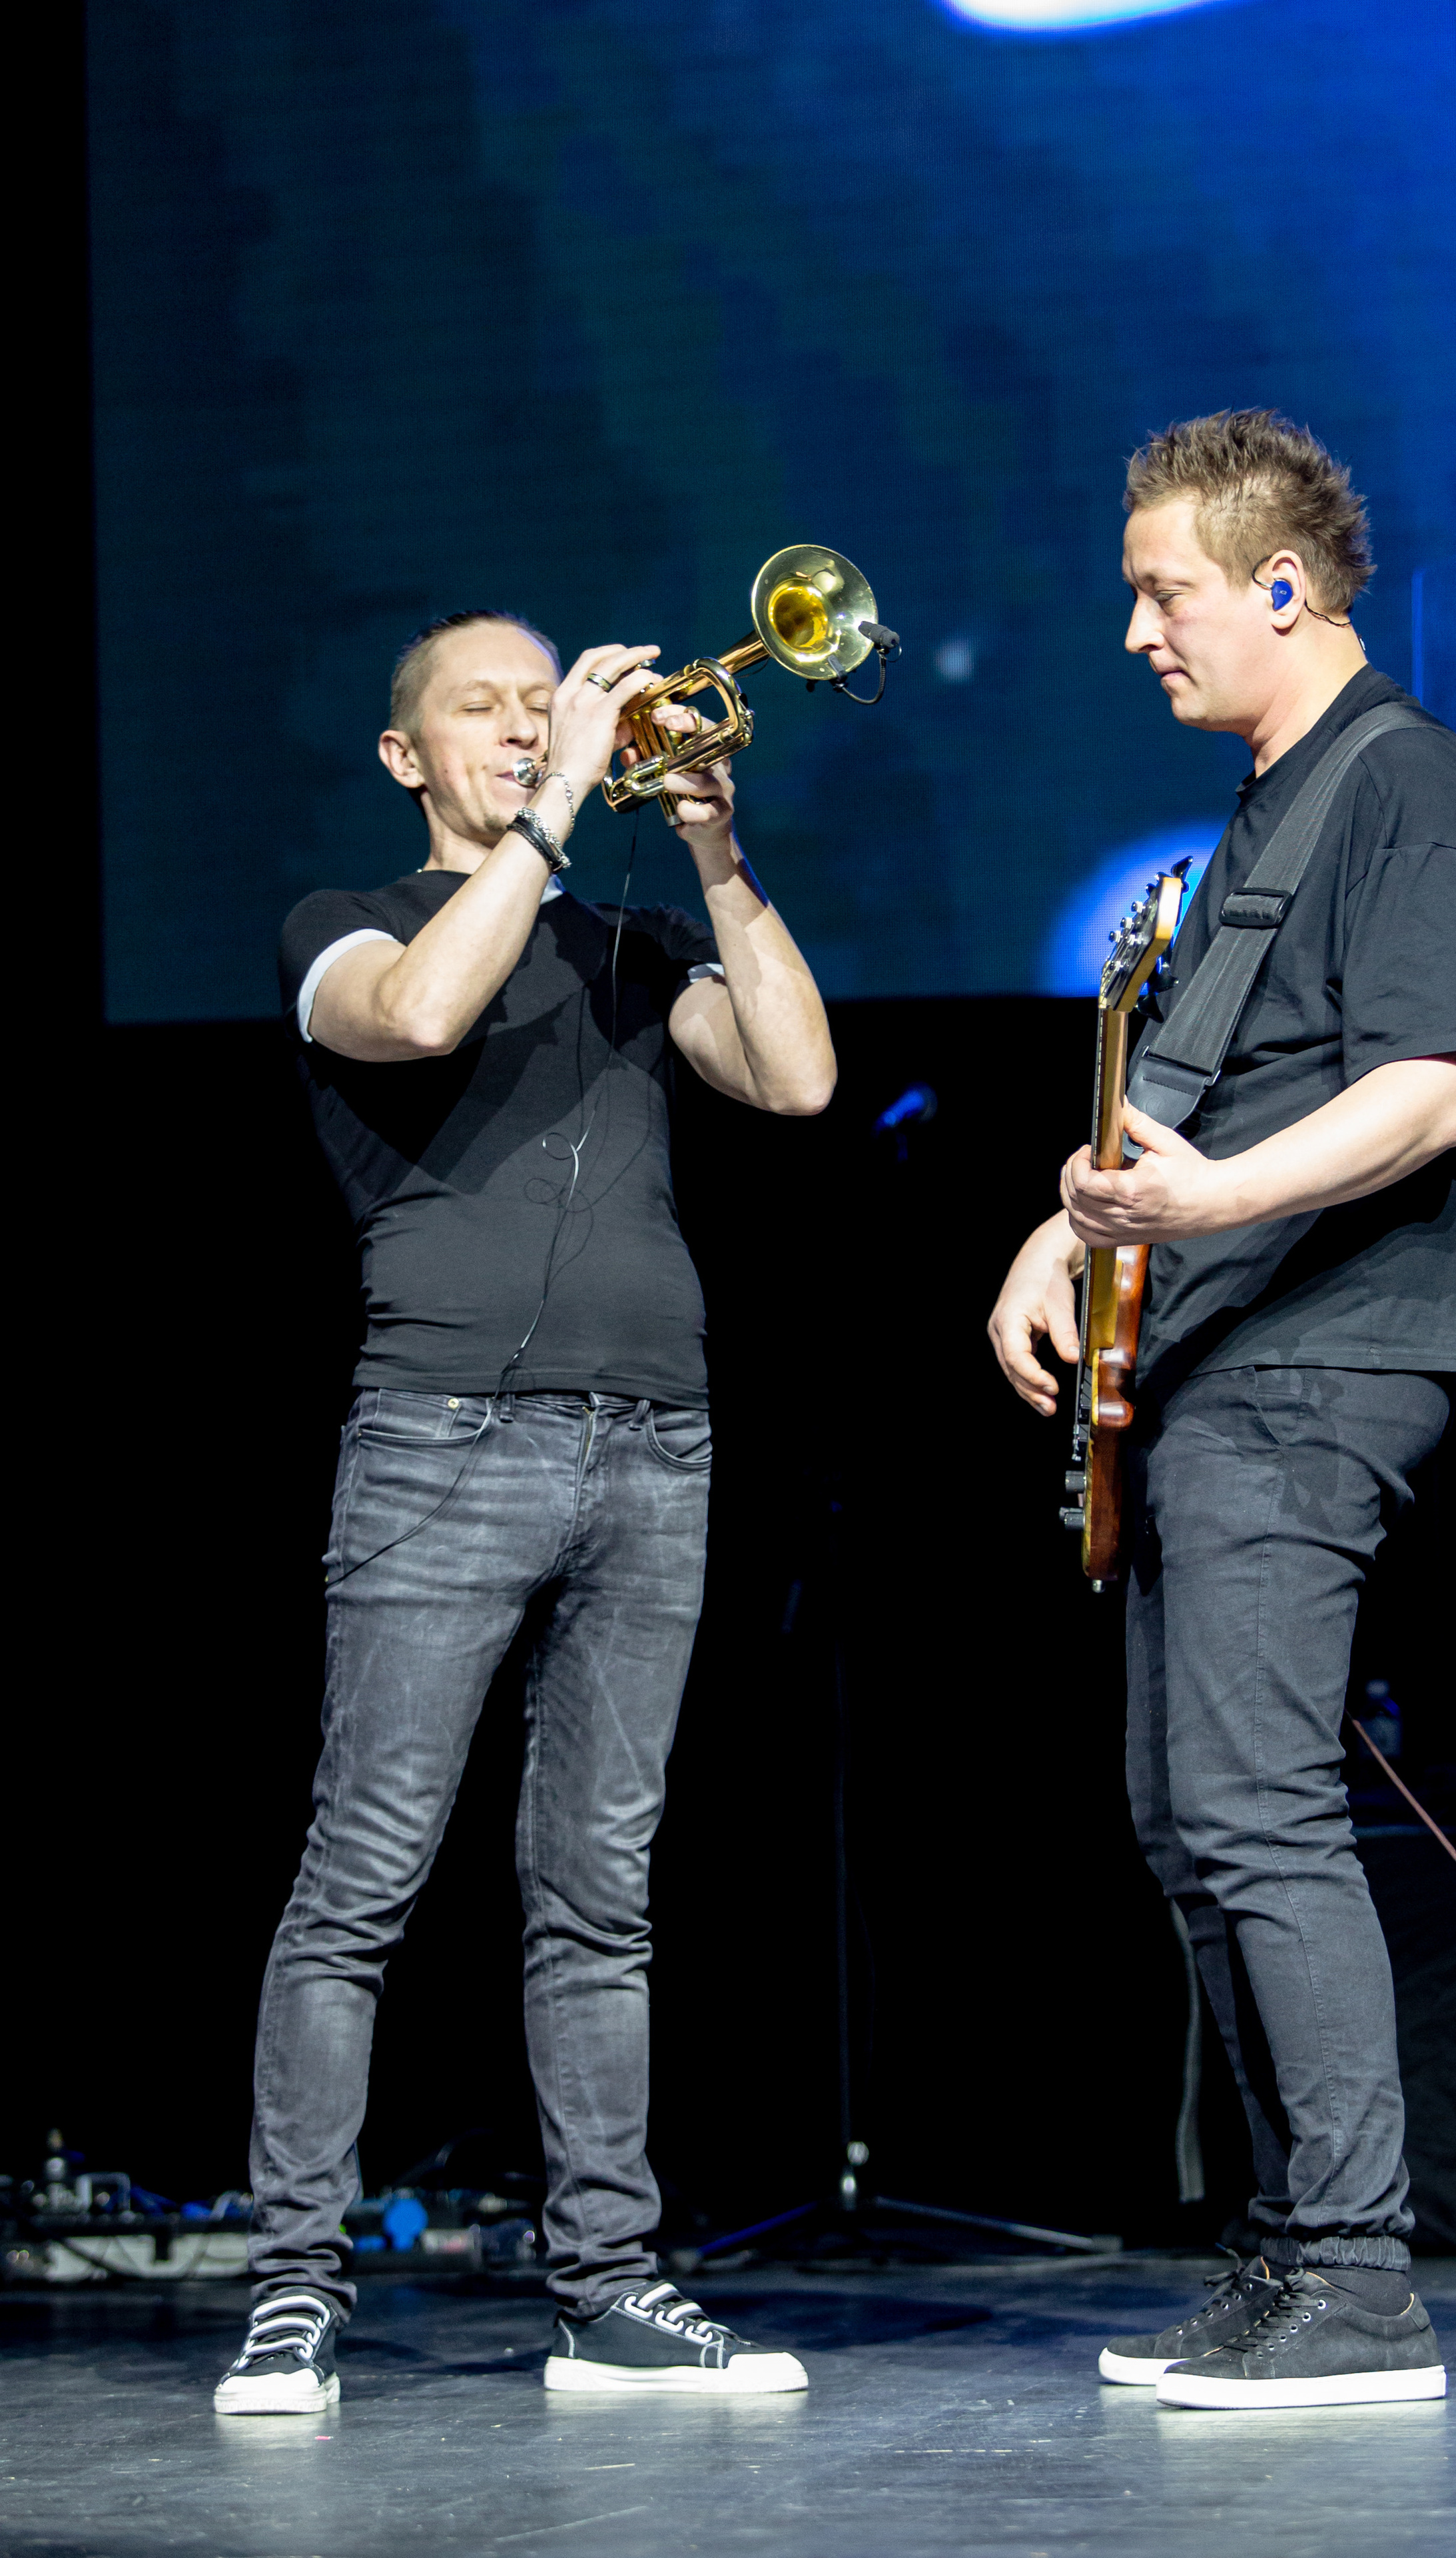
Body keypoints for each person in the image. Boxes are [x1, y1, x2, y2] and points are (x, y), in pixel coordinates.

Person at [988, 410, 1456, 2409]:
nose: (1140, 628)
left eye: (1170, 589)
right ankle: (1284, 2253)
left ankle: (1357, 2286)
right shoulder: (1255, 820)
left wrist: (1207, 1200)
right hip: (1216, 1365)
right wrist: (1073, 1236)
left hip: (1321, 1366)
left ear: (1286, 586)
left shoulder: (1400, 782)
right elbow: (1193, 1108)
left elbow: (1430, 1088)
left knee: (1253, 1811)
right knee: (1185, 1818)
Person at [215, 610, 835, 2413]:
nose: (521, 724)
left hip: (656, 1450)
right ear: (407, 757)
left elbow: (797, 1078)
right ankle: (293, 2291)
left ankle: (615, 2292)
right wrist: (562, 792)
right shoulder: (348, 923)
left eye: (539, 701)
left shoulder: (633, 943)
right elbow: (418, 1020)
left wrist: (714, 848)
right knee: (362, 1882)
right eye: (480, 711)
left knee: (598, 1894)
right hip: (442, 1446)